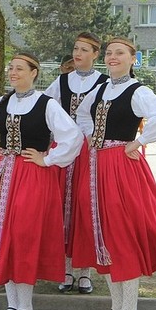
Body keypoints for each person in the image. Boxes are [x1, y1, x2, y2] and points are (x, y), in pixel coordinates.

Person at [0, 52, 82, 310]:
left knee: (23, 235)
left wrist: (48, 159)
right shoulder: (3, 102)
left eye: (19, 68)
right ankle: (11, 304)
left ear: (34, 73)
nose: (13, 72)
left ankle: (26, 306)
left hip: (32, 175)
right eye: (11, 68)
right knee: (2, 234)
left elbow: (73, 136)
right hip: (3, 174)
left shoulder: (47, 104)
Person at [74, 37, 156, 310]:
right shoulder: (102, 87)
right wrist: (89, 134)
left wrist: (139, 141)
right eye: (109, 53)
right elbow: (82, 114)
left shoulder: (137, 90)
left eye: (120, 53)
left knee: (121, 234)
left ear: (133, 58)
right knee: (101, 233)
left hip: (120, 167)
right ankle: (116, 306)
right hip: (96, 165)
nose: (113, 57)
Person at [45, 32, 108, 295]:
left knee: (86, 208)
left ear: (95, 55)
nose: (77, 53)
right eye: (75, 48)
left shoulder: (105, 83)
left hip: (91, 152)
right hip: (63, 151)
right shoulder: (61, 82)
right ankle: (66, 268)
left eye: (84, 50)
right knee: (62, 208)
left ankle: (85, 271)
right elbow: (43, 109)